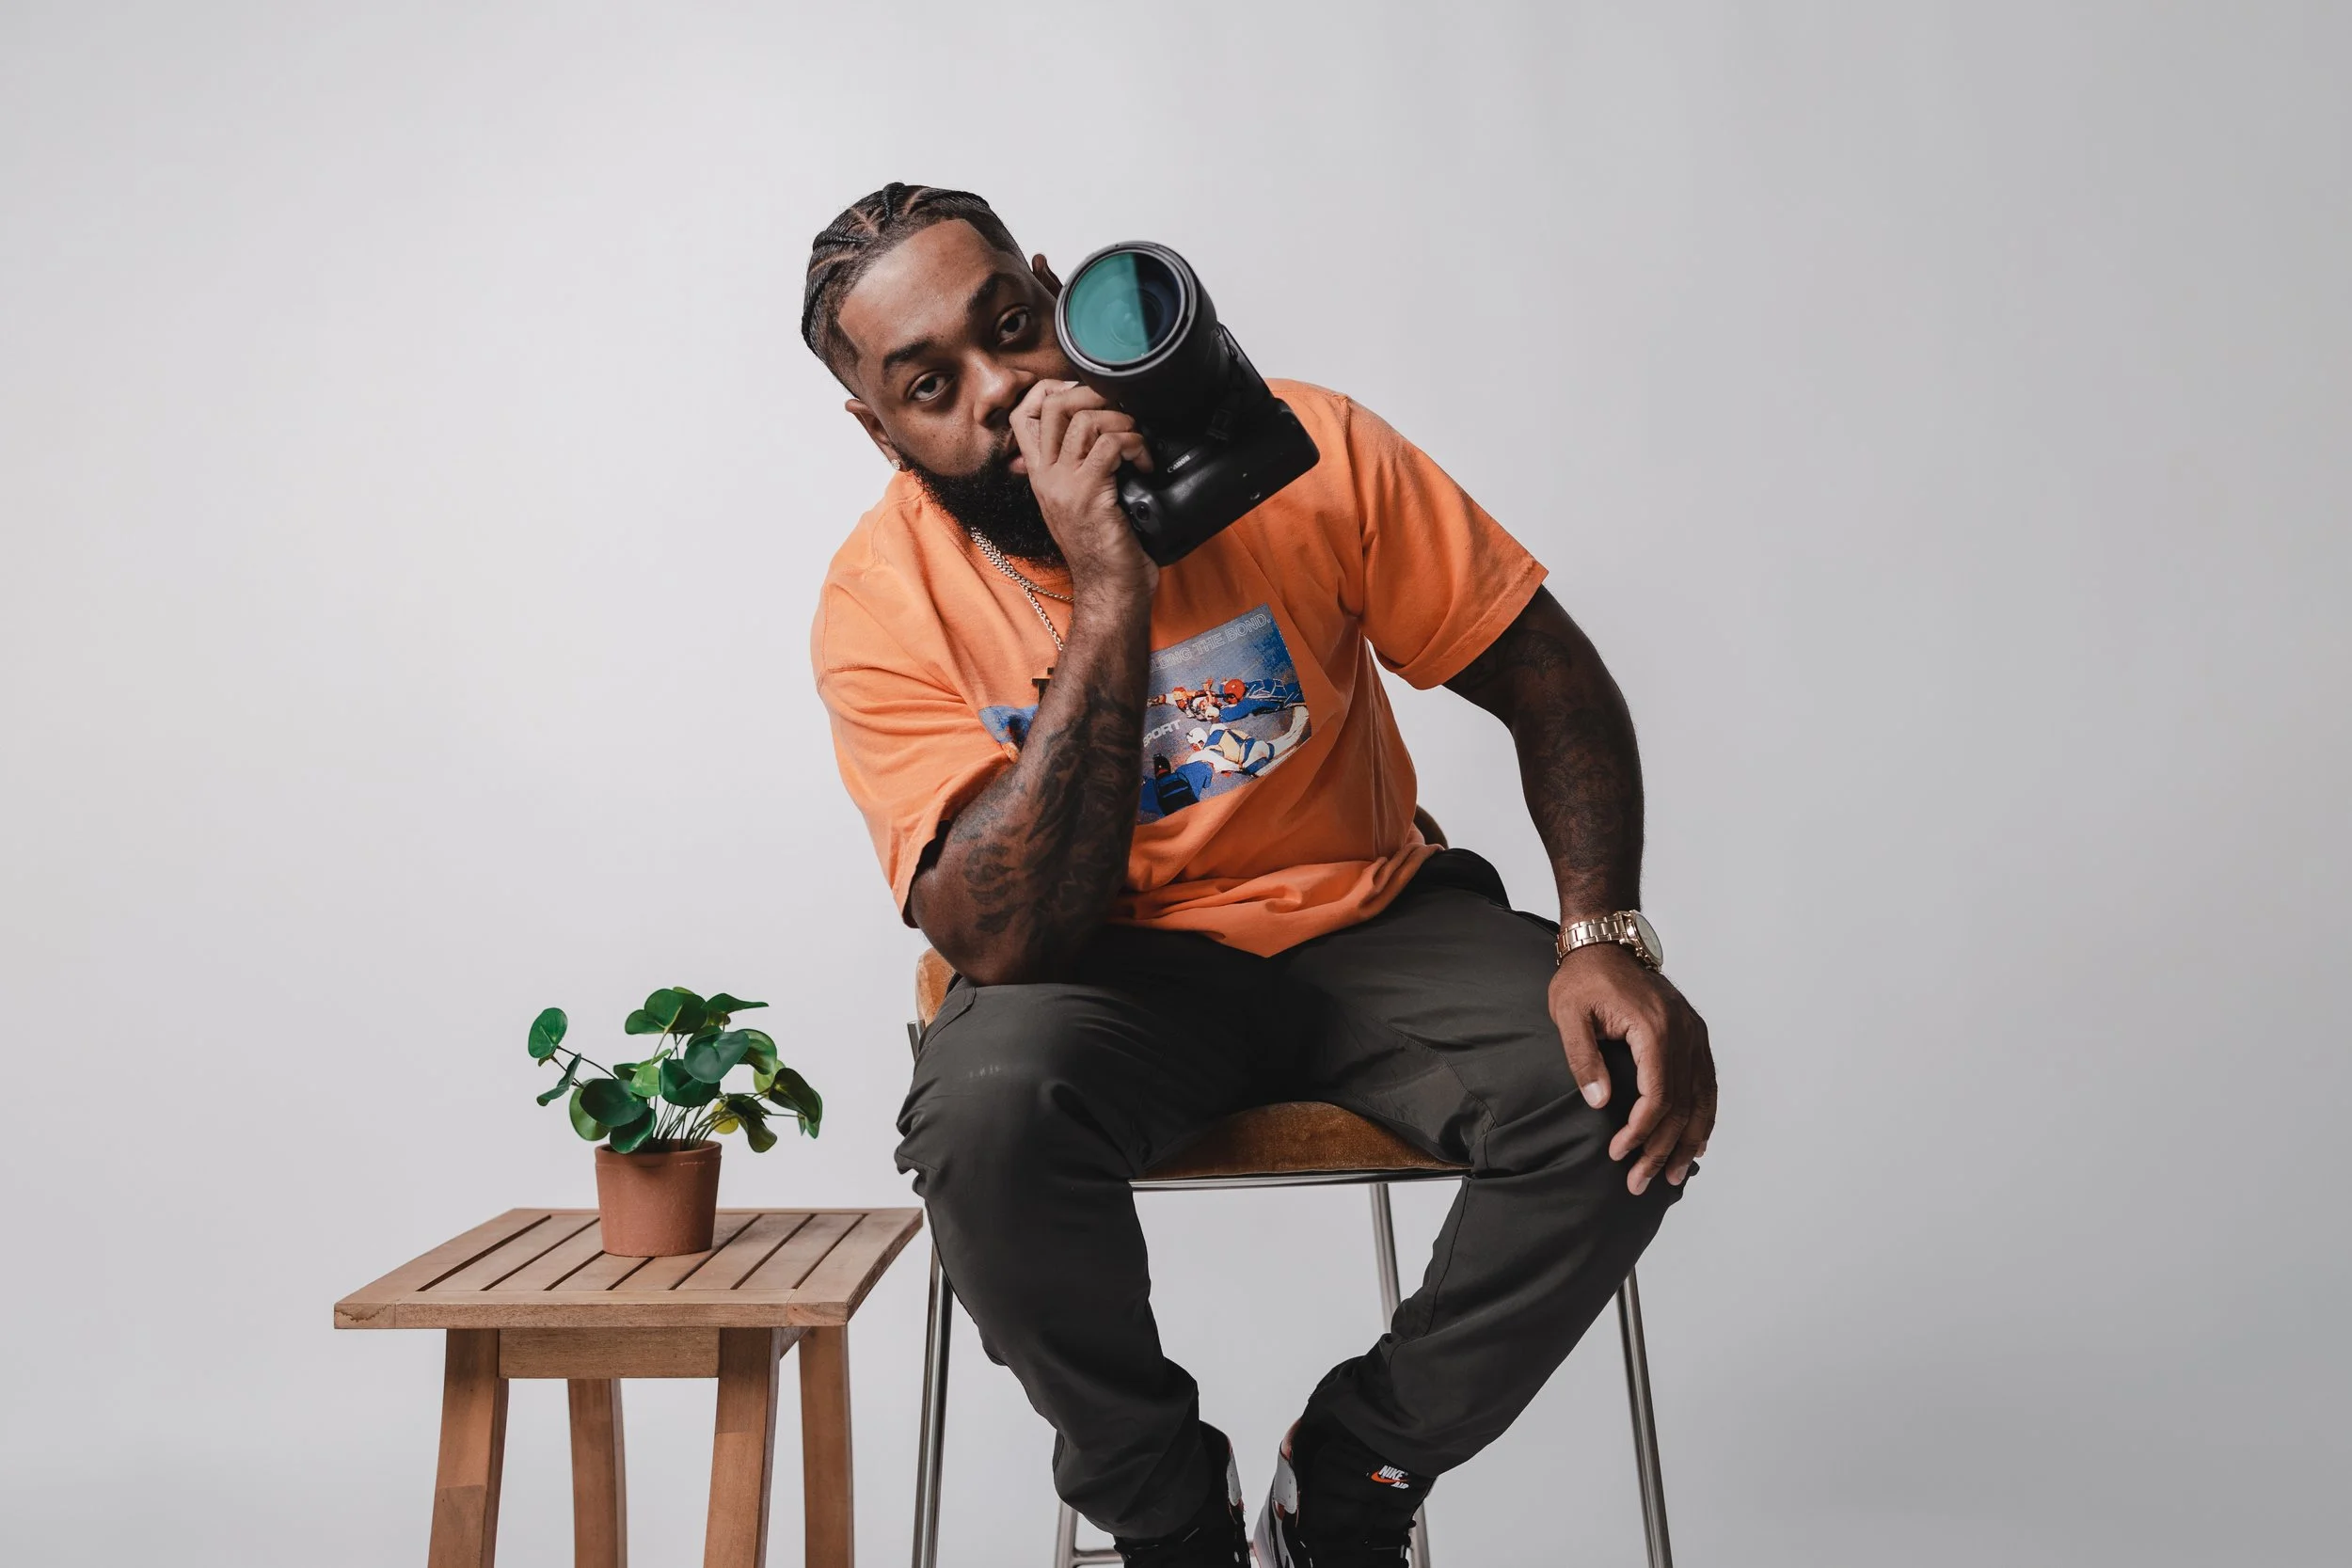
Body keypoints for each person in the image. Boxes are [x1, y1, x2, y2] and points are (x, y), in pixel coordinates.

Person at [805, 183, 1718, 1568]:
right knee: (981, 1122)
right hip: (1100, 970)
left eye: (1012, 325)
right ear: (878, 428)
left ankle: (1352, 1474)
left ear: (1057, 290)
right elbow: (1004, 931)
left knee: (1619, 1085)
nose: (1003, 391)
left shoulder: (1299, 446)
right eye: (934, 384)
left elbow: (1551, 676)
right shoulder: (878, 603)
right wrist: (1111, 583)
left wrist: (1601, 929)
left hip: (1368, 916)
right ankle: (1173, 1521)